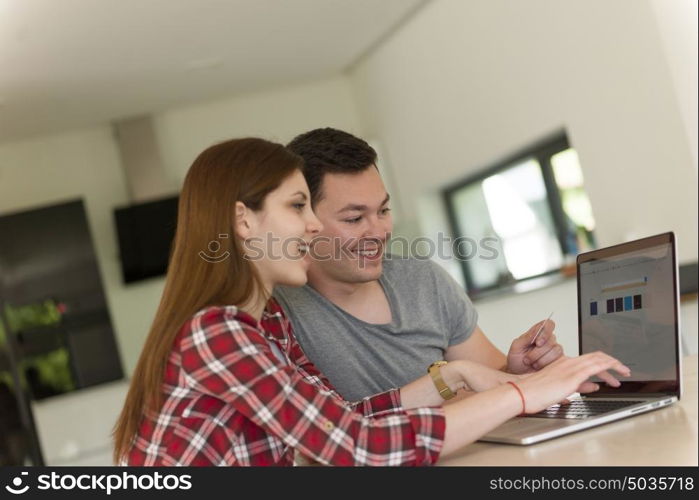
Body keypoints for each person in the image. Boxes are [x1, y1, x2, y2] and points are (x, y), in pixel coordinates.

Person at [111, 137, 629, 466]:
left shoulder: (263, 322)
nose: (311, 224)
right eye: (297, 207)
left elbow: (337, 418)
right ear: (245, 221)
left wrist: (459, 376)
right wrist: (522, 394)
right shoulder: (217, 332)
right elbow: (356, 447)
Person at [275, 128, 614, 402]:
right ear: (303, 218)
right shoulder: (278, 311)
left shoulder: (423, 279)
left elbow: (494, 379)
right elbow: (329, 432)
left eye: (383, 211)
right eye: (354, 218)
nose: (378, 232)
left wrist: (517, 371)